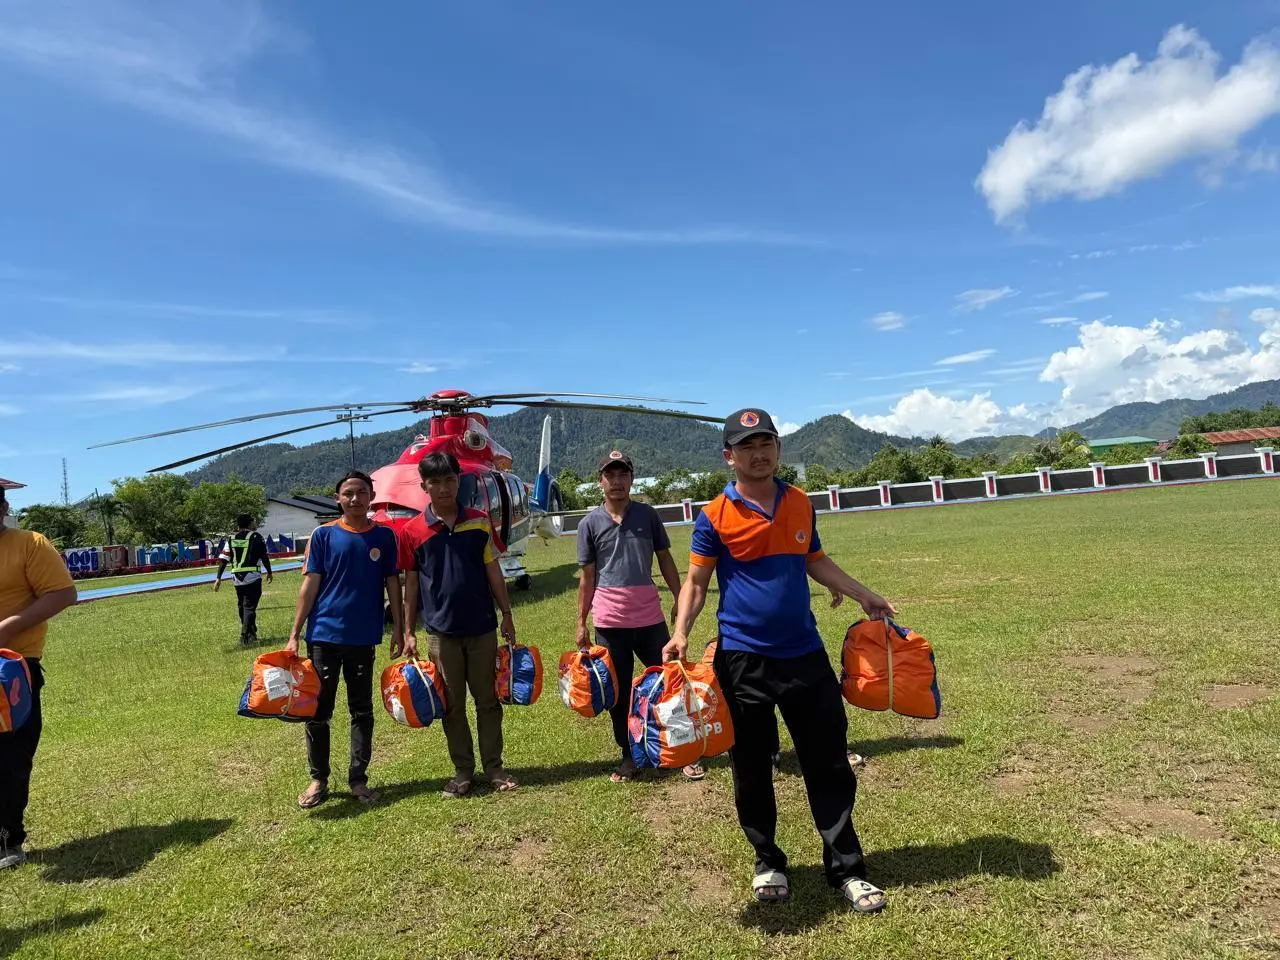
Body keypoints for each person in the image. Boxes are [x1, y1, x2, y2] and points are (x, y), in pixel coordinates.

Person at [664, 407, 895, 913]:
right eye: (747, 446)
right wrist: (680, 631)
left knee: (829, 762)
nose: (759, 453)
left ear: (778, 449)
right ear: (729, 457)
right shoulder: (713, 515)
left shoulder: (799, 503)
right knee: (750, 766)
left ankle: (847, 869)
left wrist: (862, 594)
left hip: (805, 655)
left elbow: (814, 560)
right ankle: (767, 860)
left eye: (766, 442)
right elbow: (697, 582)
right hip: (743, 659)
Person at [575, 450, 703, 783]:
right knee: (618, 696)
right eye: (610, 475)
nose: (617, 482)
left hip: (649, 618)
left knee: (670, 684)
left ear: (631, 479)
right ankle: (629, 756)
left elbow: (665, 560)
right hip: (609, 623)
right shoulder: (589, 523)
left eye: (623, 475)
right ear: (600, 481)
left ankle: (682, 751)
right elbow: (587, 577)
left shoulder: (648, 516)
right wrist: (581, 622)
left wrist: (679, 597)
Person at [397, 453, 518, 798]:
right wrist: (408, 632)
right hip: (440, 634)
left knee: (488, 702)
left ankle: (494, 767)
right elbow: (412, 586)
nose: (443, 487)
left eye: (449, 480)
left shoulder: (479, 522)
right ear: (424, 486)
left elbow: (493, 570)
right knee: (452, 706)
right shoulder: (412, 531)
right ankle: (463, 770)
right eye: (434, 481)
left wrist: (506, 613)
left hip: (482, 628)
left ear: (458, 482)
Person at [287, 471, 402, 809]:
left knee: (362, 710)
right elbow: (309, 586)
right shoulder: (323, 536)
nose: (355, 499)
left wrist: (396, 626)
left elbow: (392, 583)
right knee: (318, 710)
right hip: (323, 636)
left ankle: (358, 778)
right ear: (338, 498)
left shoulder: (384, 537)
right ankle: (318, 778)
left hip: (363, 637)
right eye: (348, 493)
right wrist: (294, 634)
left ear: (371, 497)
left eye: (361, 493)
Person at [0, 486, 77, 868]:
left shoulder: (29, 544)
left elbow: (62, 593)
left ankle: (6, 838)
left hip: (11, 667)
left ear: (3, 507)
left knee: (10, 756)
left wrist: (8, 628)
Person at [214, 513, 273, 645]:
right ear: (250, 523)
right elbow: (264, 556)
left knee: (242, 606)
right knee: (249, 607)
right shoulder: (256, 536)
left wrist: (218, 578)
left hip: (237, 578)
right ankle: (245, 635)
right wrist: (269, 572)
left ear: (238, 525)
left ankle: (252, 633)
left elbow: (224, 559)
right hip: (252, 576)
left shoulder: (231, 538)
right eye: (254, 522)